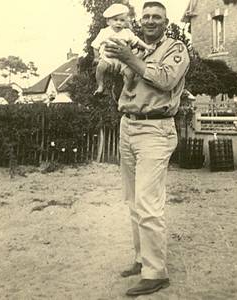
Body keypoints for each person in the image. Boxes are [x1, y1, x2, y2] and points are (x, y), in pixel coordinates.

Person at [103, 0, 190, 296]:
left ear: (166, 22)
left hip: (155, 128)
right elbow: (118, 74)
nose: (151, 21)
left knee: (149, 202)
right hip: (127, 123)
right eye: (147, 16)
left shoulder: (176, 49)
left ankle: (156, 273)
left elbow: (165, 80)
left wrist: (129, 58)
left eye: (157, 17)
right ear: (140, 21)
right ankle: (142, 259)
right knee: (133, 200)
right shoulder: (136, 47)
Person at [91, 3, 154, 96]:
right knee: (100, 68)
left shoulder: (127, 32)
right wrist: (96, 57)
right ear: (108, 21)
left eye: (122, 20)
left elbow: (137, 41)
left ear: (126, 22)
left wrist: (147, 47)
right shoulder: (104, 32)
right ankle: (100, 85)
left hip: (123, 59)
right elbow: (95, 45)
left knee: (130, 73)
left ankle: (126, 89)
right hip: (108, 57)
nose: (119, 23)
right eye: (115, 20)